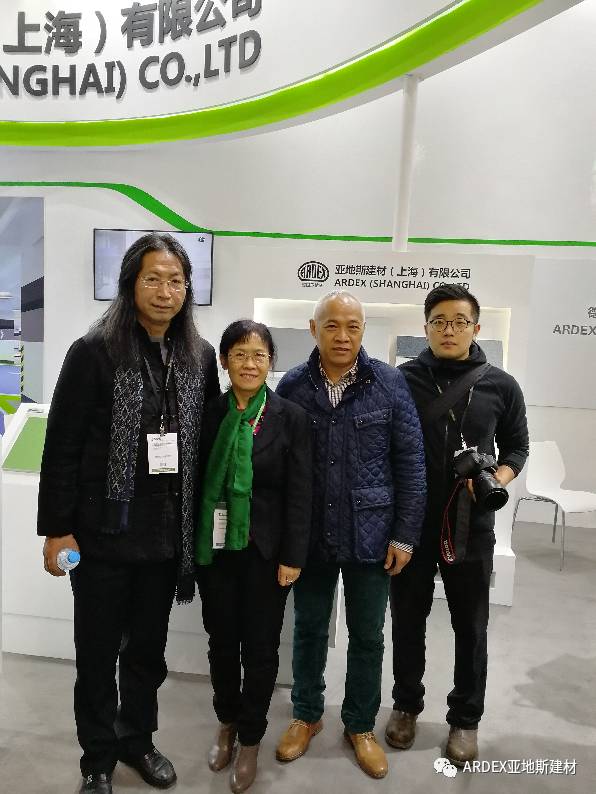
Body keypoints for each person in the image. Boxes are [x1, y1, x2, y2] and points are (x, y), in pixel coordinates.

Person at [38, 233, 219, 794]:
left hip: (165, 537)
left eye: (176, 281)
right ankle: (97, 758)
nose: (165, 292)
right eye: (153, 279)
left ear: (187, 289)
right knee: (96, 653)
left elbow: (206, 445)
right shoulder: (93, 352)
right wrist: (57, 530)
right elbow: (61, 446)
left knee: (146, 653)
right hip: (101, 536)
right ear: (130, 284)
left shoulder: (199, 356)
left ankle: (137, 740)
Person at [274, 291, 426, 779]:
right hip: (312, 535)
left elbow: (411, 463)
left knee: (367, 635)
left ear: (363, 330)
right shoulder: (293, 386)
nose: (343, 336)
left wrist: (404, 535)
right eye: (332, 325)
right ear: (313, 328)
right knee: (308, 629)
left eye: (353, 326)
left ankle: (360, 725)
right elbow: (280, 468)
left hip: (371, 535)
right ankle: (306, 714)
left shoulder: (389, 383)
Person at [385, 284, 529, 767]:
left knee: (471, 624)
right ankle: (406, 705)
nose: (449, 330)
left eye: (460, 322)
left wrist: (496, 478)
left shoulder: (501, 385)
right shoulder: (402, 380)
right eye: (440, 322)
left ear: (476, 328)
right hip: (411, 521)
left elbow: (517, 447)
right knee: (407, 618)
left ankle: (465, 718)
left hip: (471, 524)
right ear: (425, 328)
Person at [195, 320, 312, 793]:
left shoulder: (290, 418)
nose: (249, 363)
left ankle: (250, 739)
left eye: (259, 355)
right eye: (240, 354)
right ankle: (227, 721)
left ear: (271, 362)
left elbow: (300, 493)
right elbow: (192, 485)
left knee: (260, 650)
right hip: (216, 550)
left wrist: (293, 556)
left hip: (266, 553)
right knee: (222, 642)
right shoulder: (208, 415)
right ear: (225, 361)